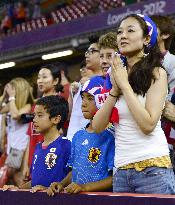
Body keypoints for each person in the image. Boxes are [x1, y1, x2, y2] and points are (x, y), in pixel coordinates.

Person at [92, 14, 175, 194]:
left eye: (130, 30)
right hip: (121, 171)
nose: (123, 35)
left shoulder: (157, 73)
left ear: (146, 39)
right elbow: (97, 126)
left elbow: (148, 125)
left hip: (153, 170)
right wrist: (114, 90)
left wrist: (124, 86)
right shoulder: (116, 74)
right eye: (120, 32)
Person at [47, 76, 115, 196]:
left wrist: (85, 187)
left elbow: (115, 178)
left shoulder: (111, 136)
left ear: (102, 100)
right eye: (83, 98)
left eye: (90, 98)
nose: (83, 104)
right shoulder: (78, 136)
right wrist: (61, 184)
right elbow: (74, 171)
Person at [3, 95, 71, 192]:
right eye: (34, 115)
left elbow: (74, 175)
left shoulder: (66, 145)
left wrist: (52, 188)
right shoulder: (38, 147)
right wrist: (18, 189)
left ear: (56, 119)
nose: (34, 120)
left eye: (40, 115)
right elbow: (35, 183)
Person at [26, 63, 64, 180]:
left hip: (50, 159)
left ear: (55, 80)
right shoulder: (35, 105)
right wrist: (27, 164)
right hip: (34, 157)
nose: (40, 81)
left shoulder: (60, 103)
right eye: (38, 77)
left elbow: (61, 133)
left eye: (44, 77)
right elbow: (30, 137)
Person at [66, 36, 103, 141]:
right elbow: (68, 116)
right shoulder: (81, 84)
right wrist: (71, 94)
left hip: (93, 139)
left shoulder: (107, 83)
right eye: (87, 52)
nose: (87, 55)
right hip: (73, 138)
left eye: (92, 51)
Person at [151, 15, 175, 172]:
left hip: (167, 139)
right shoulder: (142, 63)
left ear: (165, 34)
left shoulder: (172, 61)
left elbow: (169, 107)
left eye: (152, 28)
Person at [0, 77, 34, 185]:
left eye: (12, 89)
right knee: (10, 179)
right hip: (11, 148)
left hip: (21, 149)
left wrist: (11, 98)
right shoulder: (11, 105)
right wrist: (5, 95)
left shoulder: (27, 106)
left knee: (19, 180)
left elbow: (15, 116)